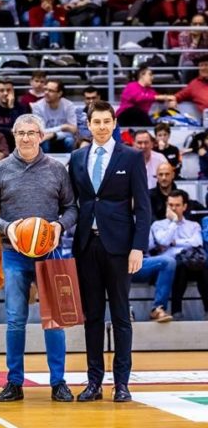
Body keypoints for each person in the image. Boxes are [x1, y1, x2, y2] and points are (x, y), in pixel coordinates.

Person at [0, 114, 78, 402]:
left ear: (41, 135)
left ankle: (58, 382)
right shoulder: (0, 170)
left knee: (55, 321)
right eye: (20, 133)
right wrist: (7, 227)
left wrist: (59, 226)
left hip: (50, 253)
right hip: (13, 253)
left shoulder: (57, 170)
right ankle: (14, 382)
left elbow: (72, 208)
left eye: (31, 132)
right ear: (13, 135)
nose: (25, 138)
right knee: (14, 320)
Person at [68, 100, 150, 403]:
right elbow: (72, 203)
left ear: (114, 123)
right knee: (91, 317)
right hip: (86, 246)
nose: (101, 127)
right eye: (96, 122)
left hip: (120, 247)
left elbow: (143, 208)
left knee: (120, 316)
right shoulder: (77, 158)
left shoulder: (130, 157)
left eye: (106, 121)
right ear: (88, 125)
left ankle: (123, 383)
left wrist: (138, 247)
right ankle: (93, 382)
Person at [152, 190, 208, 321]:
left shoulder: (193, 225)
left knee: (204, 265)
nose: (173, 208)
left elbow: (197, 242)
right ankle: (177, 311)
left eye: (177, 205)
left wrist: (175, 242)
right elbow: (163, 241)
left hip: (192, 263)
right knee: (179, 265)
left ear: (185, 206)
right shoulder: (158, 225)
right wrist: (174, 222)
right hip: (171, 267)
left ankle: (207, 311)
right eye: (170, 205)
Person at [30, 79, 77, 153]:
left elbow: (73, 130)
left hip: (62, 138)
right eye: (45, 89)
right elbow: (39, 131)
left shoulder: (69, 105)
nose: (46, 93)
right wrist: (62, 127)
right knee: (43, 142)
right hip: (45, 139)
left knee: (70, 141)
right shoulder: (37, 107)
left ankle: (71, 164)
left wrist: (54, 135)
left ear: (59, 93)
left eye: (51, 91)